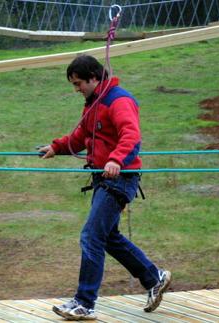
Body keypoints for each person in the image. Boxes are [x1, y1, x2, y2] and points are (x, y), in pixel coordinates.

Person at [39, 55, 171, 321]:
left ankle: (84, 303)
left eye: (79, 84)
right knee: (107, 237)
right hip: (104, 179)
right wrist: (57, 147)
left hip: (119, 179)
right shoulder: (93, 104)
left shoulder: (118, 100)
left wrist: (115, 159)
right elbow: (81, 136)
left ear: (94, 77)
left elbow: (131, 136)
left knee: (91, 236)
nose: (76, 89)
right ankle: (153, 277)